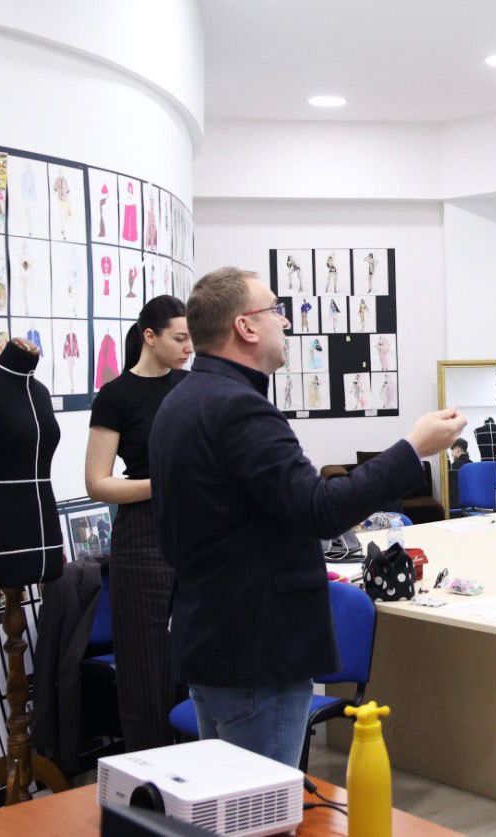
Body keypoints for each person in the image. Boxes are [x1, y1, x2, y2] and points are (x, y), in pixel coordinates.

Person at [150, 267, 465, 766]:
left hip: (211, 640)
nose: (285, 322)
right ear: (245, 327)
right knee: (261, 802)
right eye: (275, 310)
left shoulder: (181, 401)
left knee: (229, 799)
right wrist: (412, 448)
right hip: (258, 652)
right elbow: (319, 510)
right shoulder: (240, 409)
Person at [86, 295, 192, 753]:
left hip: (195, 533)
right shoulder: (116, 396)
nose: (189, 347)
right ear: (150, 336)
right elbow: (97, 483)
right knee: (143, 669)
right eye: (180, 338)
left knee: (197, 656)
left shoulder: (190, 387)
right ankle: (149, 778)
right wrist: (162, 484)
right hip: (142, 537)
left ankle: (204, 770)